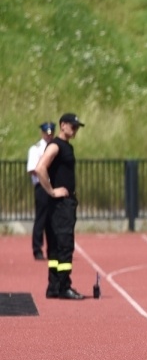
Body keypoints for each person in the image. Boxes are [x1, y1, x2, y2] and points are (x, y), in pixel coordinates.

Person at [34, 113, 86, 300]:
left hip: (61, 205)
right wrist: (52, 191)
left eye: (77, 127)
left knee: (55, 246)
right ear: (63, 125)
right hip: (61, 204)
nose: (75, 129)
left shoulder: (65, 146)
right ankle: (64, 286)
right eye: (73, 126)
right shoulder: (56, 145)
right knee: (64, 244)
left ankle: (54, 286)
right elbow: (40, 168)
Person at [26, 121, 56, 260]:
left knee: (52, 219)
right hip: (42, 186)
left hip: (53, 186)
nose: (49, 136)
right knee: (41, 218)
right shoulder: (36, 149)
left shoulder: (56, 147)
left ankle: (52, 249)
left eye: (51, 133)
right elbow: (33, 169)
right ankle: (37, 249)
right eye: (46, 133)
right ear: (43, 133)